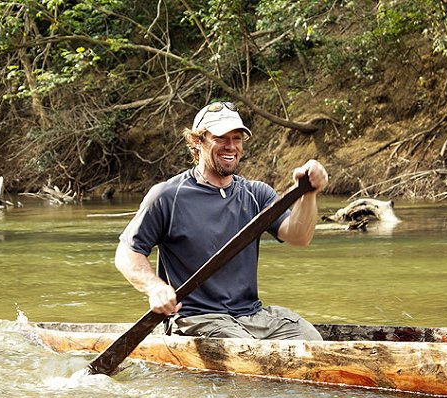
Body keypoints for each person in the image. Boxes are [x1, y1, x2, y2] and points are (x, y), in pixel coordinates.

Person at [115, 101, 328, 340]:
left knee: (312, 340)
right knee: (247, 350)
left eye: (236, 138)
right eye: (221, 138)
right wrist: (155, 287)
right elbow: (126, 253)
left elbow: (299, 237)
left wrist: (308, 193)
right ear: (198, 141)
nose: (231, 146)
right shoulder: (167, 196)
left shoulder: (256, 193)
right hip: (197, 318)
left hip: (251, 315)